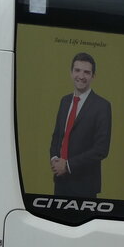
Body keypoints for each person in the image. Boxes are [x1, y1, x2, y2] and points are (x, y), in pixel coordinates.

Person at [48, 52, 111, 198]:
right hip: (60, 181)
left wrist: (68, 165)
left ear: (93, 76)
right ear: (71, 73)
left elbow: (101, 149)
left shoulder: (102, 106)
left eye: (86, 72)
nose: (81, 76)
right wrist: (54, 159)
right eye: (77, 70)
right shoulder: (64, 101)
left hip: (85, 185)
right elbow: (57, 136)